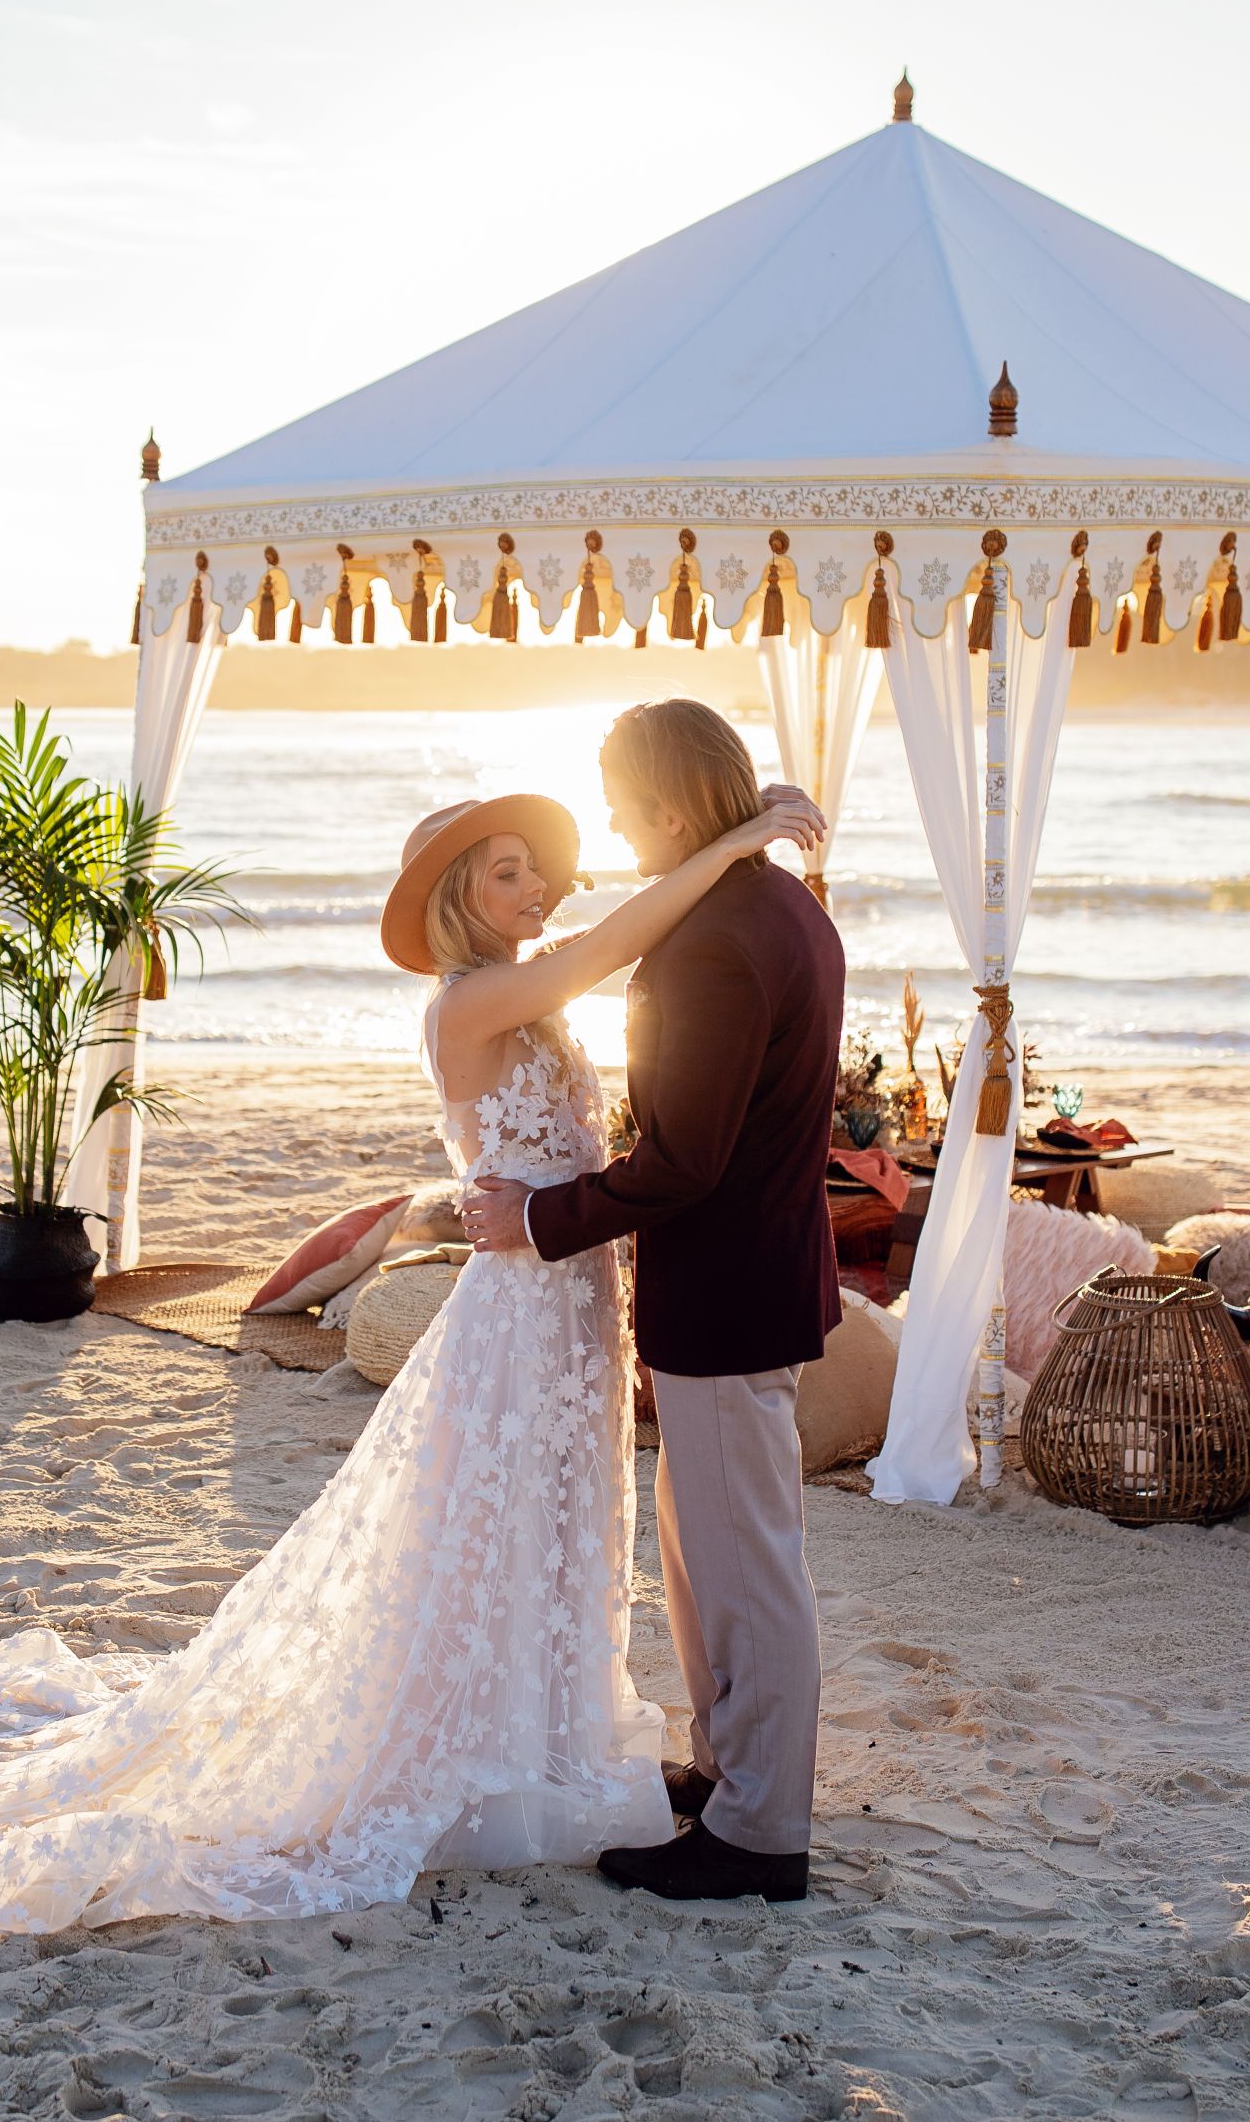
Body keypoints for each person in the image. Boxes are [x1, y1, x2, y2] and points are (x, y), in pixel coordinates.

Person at [0, 776, 824, 1937]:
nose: (538, 893)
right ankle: (496, 1749)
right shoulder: (469, 1001)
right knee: (500, 1522)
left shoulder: (527, 991)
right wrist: (731, 843)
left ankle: (552, 1736)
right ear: (460, 895)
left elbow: (581, 1036)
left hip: (573, 1302)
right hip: (520, 1313)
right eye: (510, 875)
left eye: (543, 873)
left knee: (564, 1525)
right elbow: (611, 951)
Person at [463, 697, 847, 1904]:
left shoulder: (717, 941)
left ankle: (760, 1832)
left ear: (675, 806)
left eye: (626, 808)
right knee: (706, 1553)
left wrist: (534, 1221)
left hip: (729, 1294)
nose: (620, 830)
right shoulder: (781, 905)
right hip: (751, 1277)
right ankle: (727, 1769)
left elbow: (683, 1160)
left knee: (748, 1569)